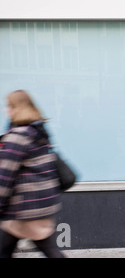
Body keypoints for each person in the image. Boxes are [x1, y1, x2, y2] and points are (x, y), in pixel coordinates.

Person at [0, 90, 64, 258]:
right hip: (40, 201)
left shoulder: (18, 136)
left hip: (26, 207)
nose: (7, 110)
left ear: (16, 108)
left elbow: (5, 175)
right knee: (6, 248)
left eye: (9, 106)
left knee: (48, 249)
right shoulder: (38, 131)